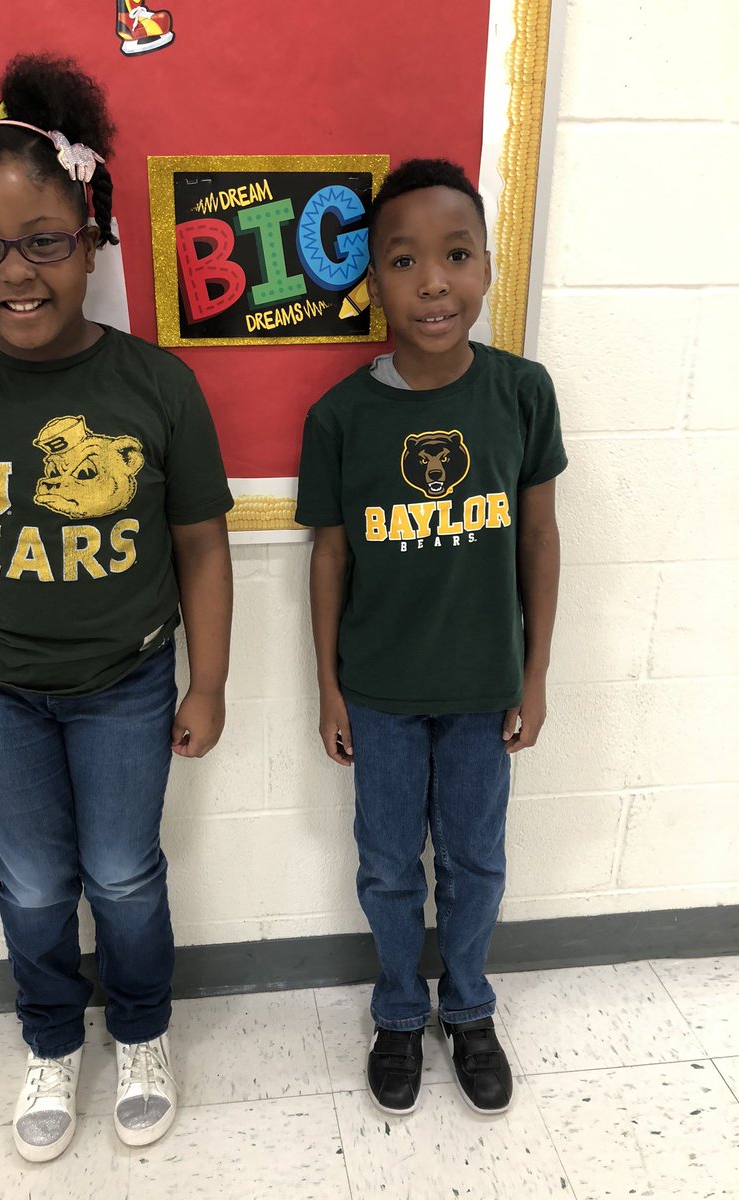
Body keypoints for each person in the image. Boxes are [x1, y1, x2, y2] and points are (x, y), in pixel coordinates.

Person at [0, 54, 233, 1161]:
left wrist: (208, 679)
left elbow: (201, 546)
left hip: (126, 683)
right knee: (33, 881)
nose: (15, 272)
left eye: (44, 239)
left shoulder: (156, 385)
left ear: (91, 237)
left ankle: (138, 1029)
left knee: (125, 873)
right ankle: (49, 1037)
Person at [296, 158, 566, 1118]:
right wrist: (328, 689)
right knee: (384, 861)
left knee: (476, 859)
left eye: (456, 255)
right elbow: (329, 558)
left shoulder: (522, 394)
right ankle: (400, 1012)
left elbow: (538, 536)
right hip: (378, 689)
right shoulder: (340, 416)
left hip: (485, 682)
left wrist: (534, 675)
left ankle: (470, 1006)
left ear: (488, 267)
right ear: (373, 280)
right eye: (404, 262)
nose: (433, 282)